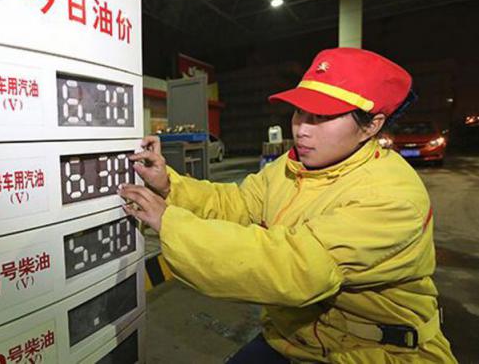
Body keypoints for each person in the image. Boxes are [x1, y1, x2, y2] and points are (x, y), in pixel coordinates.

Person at [118, 48, 457, 363]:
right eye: (300, 112)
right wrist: (168, 185)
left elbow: (292, 267)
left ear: (371, 125)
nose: (301, 131)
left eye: (322, 117)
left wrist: (171, 223)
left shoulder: (391, 195)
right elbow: (235, 204)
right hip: (293, 339)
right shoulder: (289, 167)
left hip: (376, 352)